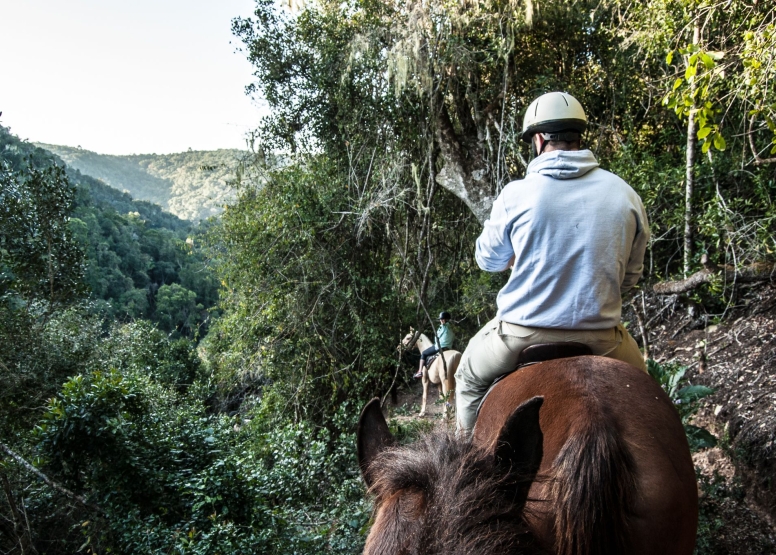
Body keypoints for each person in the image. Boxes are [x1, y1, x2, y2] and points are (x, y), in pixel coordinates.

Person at [455, 91, 650, 437]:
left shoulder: (516, 194)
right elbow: (630, 277)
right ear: (579, 136)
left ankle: (465, 467)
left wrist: (516, 258)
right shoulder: (625, 195)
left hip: (518, 335)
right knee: (649, 396)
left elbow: (487, 259)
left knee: (467, 377)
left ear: (539, 138)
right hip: (603, 337)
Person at [414, 312, 455, 379]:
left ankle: (419, 372)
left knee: (424, 353)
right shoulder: (451, 328)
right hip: (449, 347)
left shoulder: (443, 327)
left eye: (442, 319)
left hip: (440, 347)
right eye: (441, 319)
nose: (441, 320)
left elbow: (437, 338)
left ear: (446, 320)